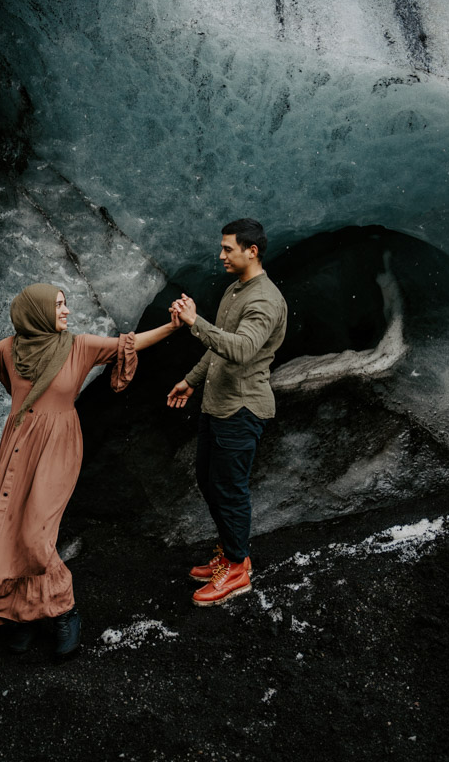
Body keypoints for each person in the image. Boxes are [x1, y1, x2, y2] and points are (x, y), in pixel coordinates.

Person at [0, 283, 180, 658]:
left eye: (65, 305)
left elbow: (127, 344)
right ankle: (25, 615)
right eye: (59, 306)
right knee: (9, 528)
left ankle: (65, 610)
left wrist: (173, 326)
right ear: (37, 312)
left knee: (35, 535)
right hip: (18, 445)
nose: (66, 312)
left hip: (59, 445)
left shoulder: (78, 346)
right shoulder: (7, 350)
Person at [166, 218, 287, 607]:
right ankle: (230, 549)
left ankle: (237, 568)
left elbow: (240, 349)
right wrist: (191, 380)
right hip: (217, 403)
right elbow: (218, 349)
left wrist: (193, 322)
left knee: (230, 489)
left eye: (228, 249)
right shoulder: (236, 290)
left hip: (243, 407)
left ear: (252, 251)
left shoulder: (265, 300)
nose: (220, 256)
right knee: (208, 479)